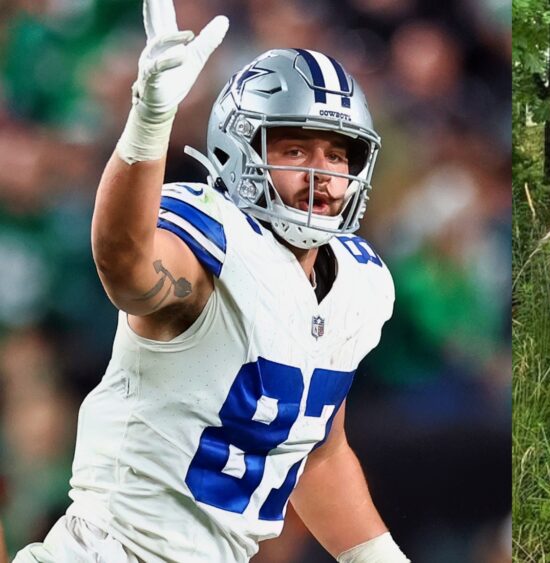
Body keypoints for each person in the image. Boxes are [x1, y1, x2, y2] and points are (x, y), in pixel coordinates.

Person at [13, 1, 409, 562]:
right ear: (240, 148)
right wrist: (149, 123)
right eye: (295, 149)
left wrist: (378, 557)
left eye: (338, 154)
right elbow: (125, 267)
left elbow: (315, 450)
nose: (321, 173)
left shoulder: (360, 284)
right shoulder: (211, 240)